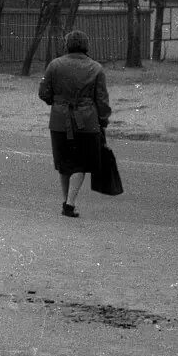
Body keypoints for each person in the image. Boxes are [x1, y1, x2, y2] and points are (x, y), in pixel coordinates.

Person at [37, 30, 111, 218]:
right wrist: (103, 121)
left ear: (67, 45)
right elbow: (102, 100)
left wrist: (58, 102)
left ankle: (66, 202)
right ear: (86, 46)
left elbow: (43, 93)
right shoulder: (96, 68)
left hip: (59, 121)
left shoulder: (54, 65)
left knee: (64, 164)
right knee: (80, 164)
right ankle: (70, 203)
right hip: (87, 123)